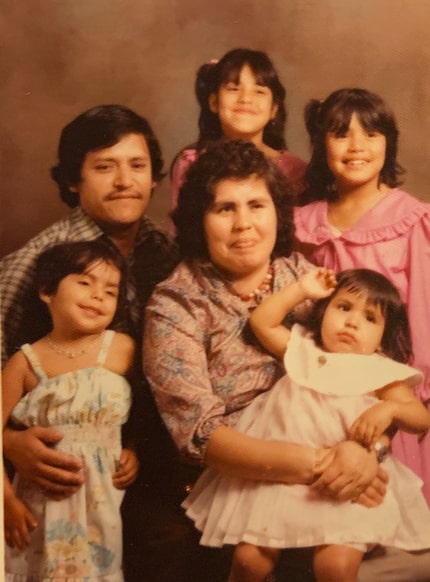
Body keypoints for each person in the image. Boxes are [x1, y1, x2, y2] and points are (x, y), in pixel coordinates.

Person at [144, 139, 430, 580]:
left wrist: (367, 448)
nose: (244, 225)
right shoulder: (175, 304)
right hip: (240, 482)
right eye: (225, 209)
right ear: (201, 221)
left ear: (278, 212)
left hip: (343, 469)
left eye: (257, 205)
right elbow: (201, 436)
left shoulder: (310, 279)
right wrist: (328, 464)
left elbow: (362, 371)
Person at [1, 105, 205, 582]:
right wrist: (10, 443)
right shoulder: (31, 264)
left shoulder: (169, 254)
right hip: (52, 475)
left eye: (136, 166)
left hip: (138, 461)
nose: (123, 181)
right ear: (74, 180)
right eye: (103, 166)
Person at [183, 268, 430, 582]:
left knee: (336, 568)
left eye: (370, 318)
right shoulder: (302, 350)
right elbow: (261, 321)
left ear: (383, 338)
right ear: (324, 311)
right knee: (249, 562)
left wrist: (390, 408)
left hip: (342, 483)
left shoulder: (380, 371)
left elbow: (422, 419)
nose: (353, 322)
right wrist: (302, 289)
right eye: (343, 308)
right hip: (281, 478)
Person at [294, 88, 430, 508]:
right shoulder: (304, 223)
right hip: (318, 391)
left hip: (390, 389)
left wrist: (413, 394)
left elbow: (424, 316)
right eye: (341, 135)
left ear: (387, 143)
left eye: (370, 134)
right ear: (321, 145)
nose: (357, 147)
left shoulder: (410, 219)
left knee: (385, 512)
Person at [3, 241, 138, 581]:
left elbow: (147, 415)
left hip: (102, 499)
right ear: (47, 291)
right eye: (84, 282)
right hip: (39, 503)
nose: (98, 296)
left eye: (110, 291)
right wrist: (6, 502)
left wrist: (135, 450)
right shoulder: (25, 361)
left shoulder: (122, 348)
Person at [170, 47, 307, 210]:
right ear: (214, 102)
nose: (245, 99)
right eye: (234, 89)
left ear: (273, 109)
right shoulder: (191, 163)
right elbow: (182, 229)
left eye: (259, 91)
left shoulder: (294, 170)